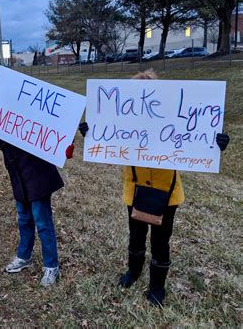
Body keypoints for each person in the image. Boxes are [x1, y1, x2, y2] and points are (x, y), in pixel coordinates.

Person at [79, 69, 230, 306]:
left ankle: (157, 286)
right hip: (135, 191)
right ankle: (134, 272)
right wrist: (91, 133)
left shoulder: (171, 121)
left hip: (167, 194)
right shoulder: (124, 122)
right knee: (136, 236)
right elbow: (106, 135)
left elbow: (196, 138)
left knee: (161, 241)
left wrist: (215, 143)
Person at [0, 66, 64, 287]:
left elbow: (49, 126)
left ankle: (52, 266)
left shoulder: (23, 107)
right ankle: (24, 256)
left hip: (37, 173)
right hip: (18, 175)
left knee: (42, 222)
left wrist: (62, 146)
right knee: (23, 219)